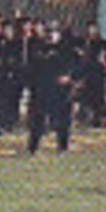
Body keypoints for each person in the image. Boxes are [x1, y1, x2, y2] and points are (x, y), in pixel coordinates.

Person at [27, 26, 79, 154]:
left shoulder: (67, 50)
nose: (51, 36)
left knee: (62, 121)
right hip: (42, 90)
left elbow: (76, 67)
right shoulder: (39, 49)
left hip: (60, 91)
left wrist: (70, 77)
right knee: (37, 120)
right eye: (49, 32)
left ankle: (62, 146)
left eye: (55, 33)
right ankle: (33, 146)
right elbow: (32, 68)